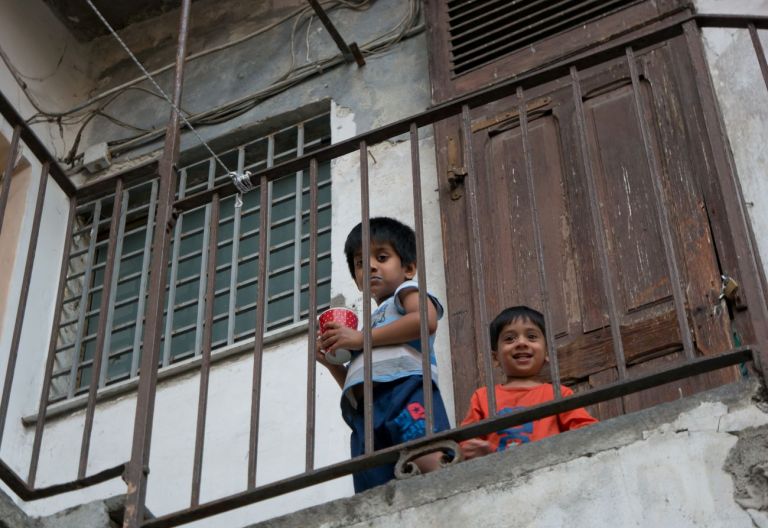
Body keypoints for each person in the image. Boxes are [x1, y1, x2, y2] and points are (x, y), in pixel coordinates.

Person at [317, 217, 450, 492]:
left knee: (428, 459)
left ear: (409, 268)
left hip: (404, 393)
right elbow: (363, 382)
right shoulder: (371, 326)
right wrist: (331, 365)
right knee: (374, 487)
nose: (371, 266)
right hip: (367, 413)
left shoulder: (405, 293)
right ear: (356, 279)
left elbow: (426, 320)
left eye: (382, 256)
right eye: (361, 263)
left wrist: (361, 339)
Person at [460, 306, 597, 460]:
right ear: (495, 358)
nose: (521, 343)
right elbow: (465, 444)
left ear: (546, 353)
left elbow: (587, 432)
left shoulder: (558, 394)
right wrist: (488, 454)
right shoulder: (483, 397)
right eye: (510, 338)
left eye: (531, 336)